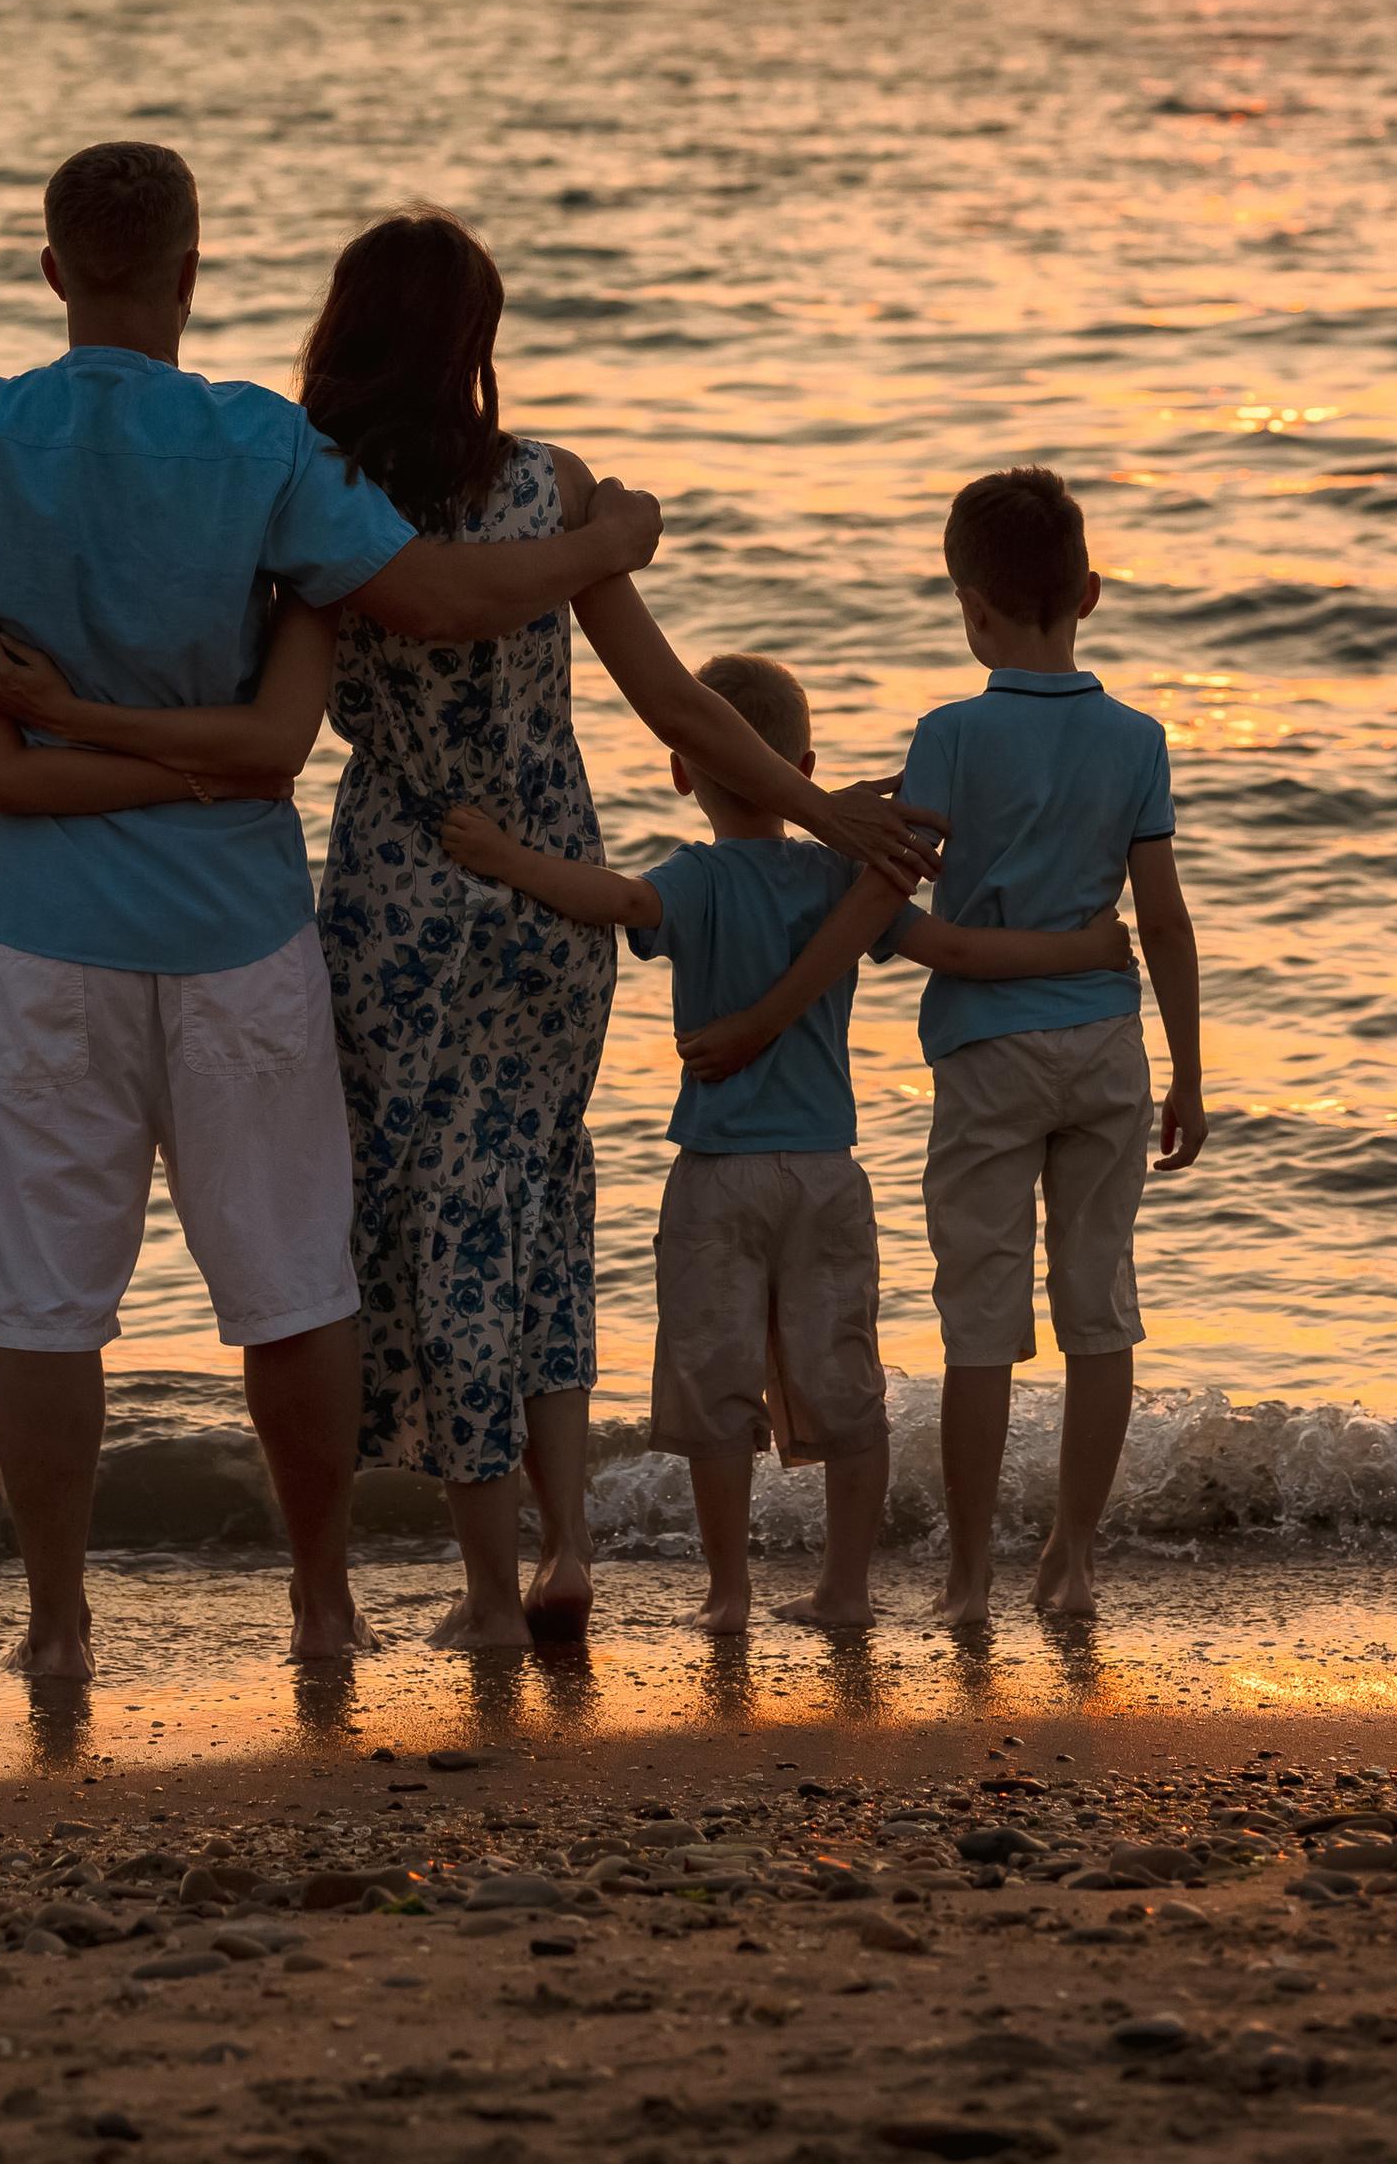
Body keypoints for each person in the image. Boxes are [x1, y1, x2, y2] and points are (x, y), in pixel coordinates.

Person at [0, 143, 667, 1677]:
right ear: (192, 274)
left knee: (52, 1310)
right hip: (241, 935)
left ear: (55, 273)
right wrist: (600, 544)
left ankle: (59, 1629)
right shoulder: (259, 446)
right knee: (291, 1286)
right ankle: (321, 1604)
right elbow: (441, 603)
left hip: (40, 941)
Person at [285, 215, 939, 1654]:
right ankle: (568, 1545)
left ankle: (483, 1591)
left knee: (435, 1221)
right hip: (553, 893)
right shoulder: (550, 490)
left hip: (401, 890)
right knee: (536, 1204)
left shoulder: (313, 494)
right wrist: (829, 818)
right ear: (476, 345)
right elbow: (682, 710)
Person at [442, 648, 1135, 1636]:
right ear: (805, 766)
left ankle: (728, 1596)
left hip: (714, 1176)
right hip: (823, 1172)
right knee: (846, 1389)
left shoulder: (694, 880)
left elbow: (616, 902)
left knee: (715, 1394)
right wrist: (1084, 952)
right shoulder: (837, 881)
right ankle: (844, 1590)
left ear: (682, 770)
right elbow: (956, 950)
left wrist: (508, 860)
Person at [677, 469, 1205, 1628]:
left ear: (969, 608)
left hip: (985, 1067)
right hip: (1109, 1050)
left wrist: (773, 1014)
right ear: (1091, 594)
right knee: (1099, 1310)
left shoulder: (952, 738)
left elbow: (879, 904)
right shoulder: (1138, 740)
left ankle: (966, 1584)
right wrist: (1188, 1073)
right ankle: (1068, 1563)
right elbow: (1159, 918)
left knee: (981, 1324)